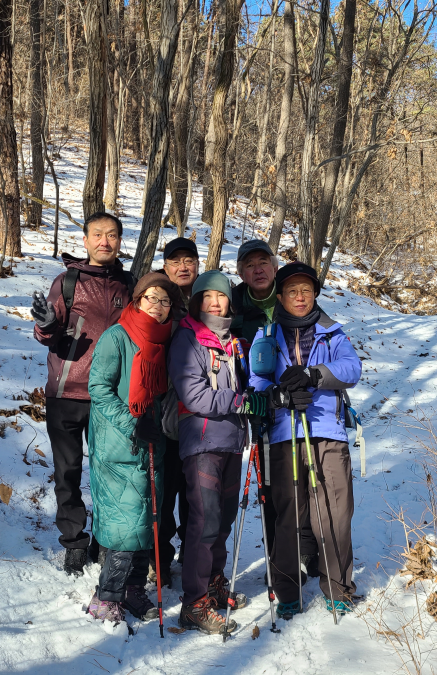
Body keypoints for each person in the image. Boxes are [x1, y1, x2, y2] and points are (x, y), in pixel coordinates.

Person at [249, 262, 362, 619]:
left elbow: (352, 368)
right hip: (284, 434)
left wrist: (315, 375)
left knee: (334, 513)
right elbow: (256, 379)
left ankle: (339, 588)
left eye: (307, 291)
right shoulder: (266, 335)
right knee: (287, 517)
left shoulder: (332, 332)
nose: (300, 297)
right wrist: (278, 395)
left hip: (327, 432)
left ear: (315, 295)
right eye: (292, 291)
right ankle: (287, 591)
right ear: (280, 296)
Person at [31, 212, 135, 576]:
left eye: (112, 234)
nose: (105, 241)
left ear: (119, 240)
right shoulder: (67, 282)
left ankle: (106, 539)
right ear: (86, 240)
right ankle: (74, 541)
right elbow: (47, 333)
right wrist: (46, 325)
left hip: (111, 396)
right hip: (66, 392)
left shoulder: (129, 285)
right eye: (98, 234)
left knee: (110, 473)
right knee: (68, 471)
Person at [168, 270, 266, 634]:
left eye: (221, 296)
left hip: (231, 442)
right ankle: (193, 604)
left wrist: (254, 398)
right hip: (202, 442)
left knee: (222, 520)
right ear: (196, 301)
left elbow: (246, 385)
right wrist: (240, 401)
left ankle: (213, 584)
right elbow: (193, 395)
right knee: (204, 520)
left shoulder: (232, 342)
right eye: (207, 296)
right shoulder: (188, 338)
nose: (214, 302)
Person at [85, 272, 179, 623]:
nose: (158, 306)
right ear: (137, 300)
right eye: (151, 298)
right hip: (119, 445)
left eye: (165, 300)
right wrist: (133, 423)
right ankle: (106, 596)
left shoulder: (165, 341)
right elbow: (99, 388)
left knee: (147, 520)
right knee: (125, 524)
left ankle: (135, 589)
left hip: (151, 445)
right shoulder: (117, 336)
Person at [231, 240, 319, 580]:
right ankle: (279, 558)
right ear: (241, 272)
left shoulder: (292, 295)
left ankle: (306, 550)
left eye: (263, 262)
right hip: (260, 406)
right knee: (271, 486)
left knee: (307, 477)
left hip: (302, 406)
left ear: (274, 266)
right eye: (249, 265)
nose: (258, 270)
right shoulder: (233, 306)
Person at [155, 236, 200, 582]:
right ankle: (160, 556)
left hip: (199, 413)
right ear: (166, 266)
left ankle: (192, 551)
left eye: (189, 260)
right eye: (176, 261)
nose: (183, 267)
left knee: (194, 490)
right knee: (164, 487)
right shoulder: (156, 300)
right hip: (162, 411)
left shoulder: (208, 299)